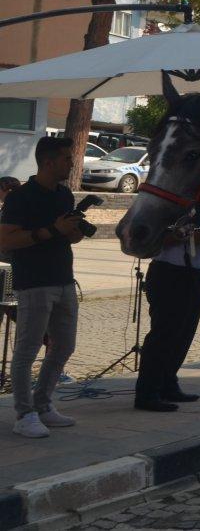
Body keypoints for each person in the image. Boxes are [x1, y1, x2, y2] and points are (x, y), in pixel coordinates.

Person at [0, 137, 83, 438]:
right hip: (33, 281)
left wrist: (73, 231)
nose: (71, 163)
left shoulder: (64, 195)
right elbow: (6, 240)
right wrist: (52, 230)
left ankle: (43, 404)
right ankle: (24, 414)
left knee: (64, 345)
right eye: (66, 158)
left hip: (64, 278)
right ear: (48, 162)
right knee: (27, 350)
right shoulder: (20, 197)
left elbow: (67, 237)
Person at [134, 230, 200, 412]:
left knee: (184, 334)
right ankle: (147, 393)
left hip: (196, 275)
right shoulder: (166, 206)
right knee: (163, 334)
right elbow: (149, 237)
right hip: (169, 274)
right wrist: (187, 237)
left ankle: (168, 383)